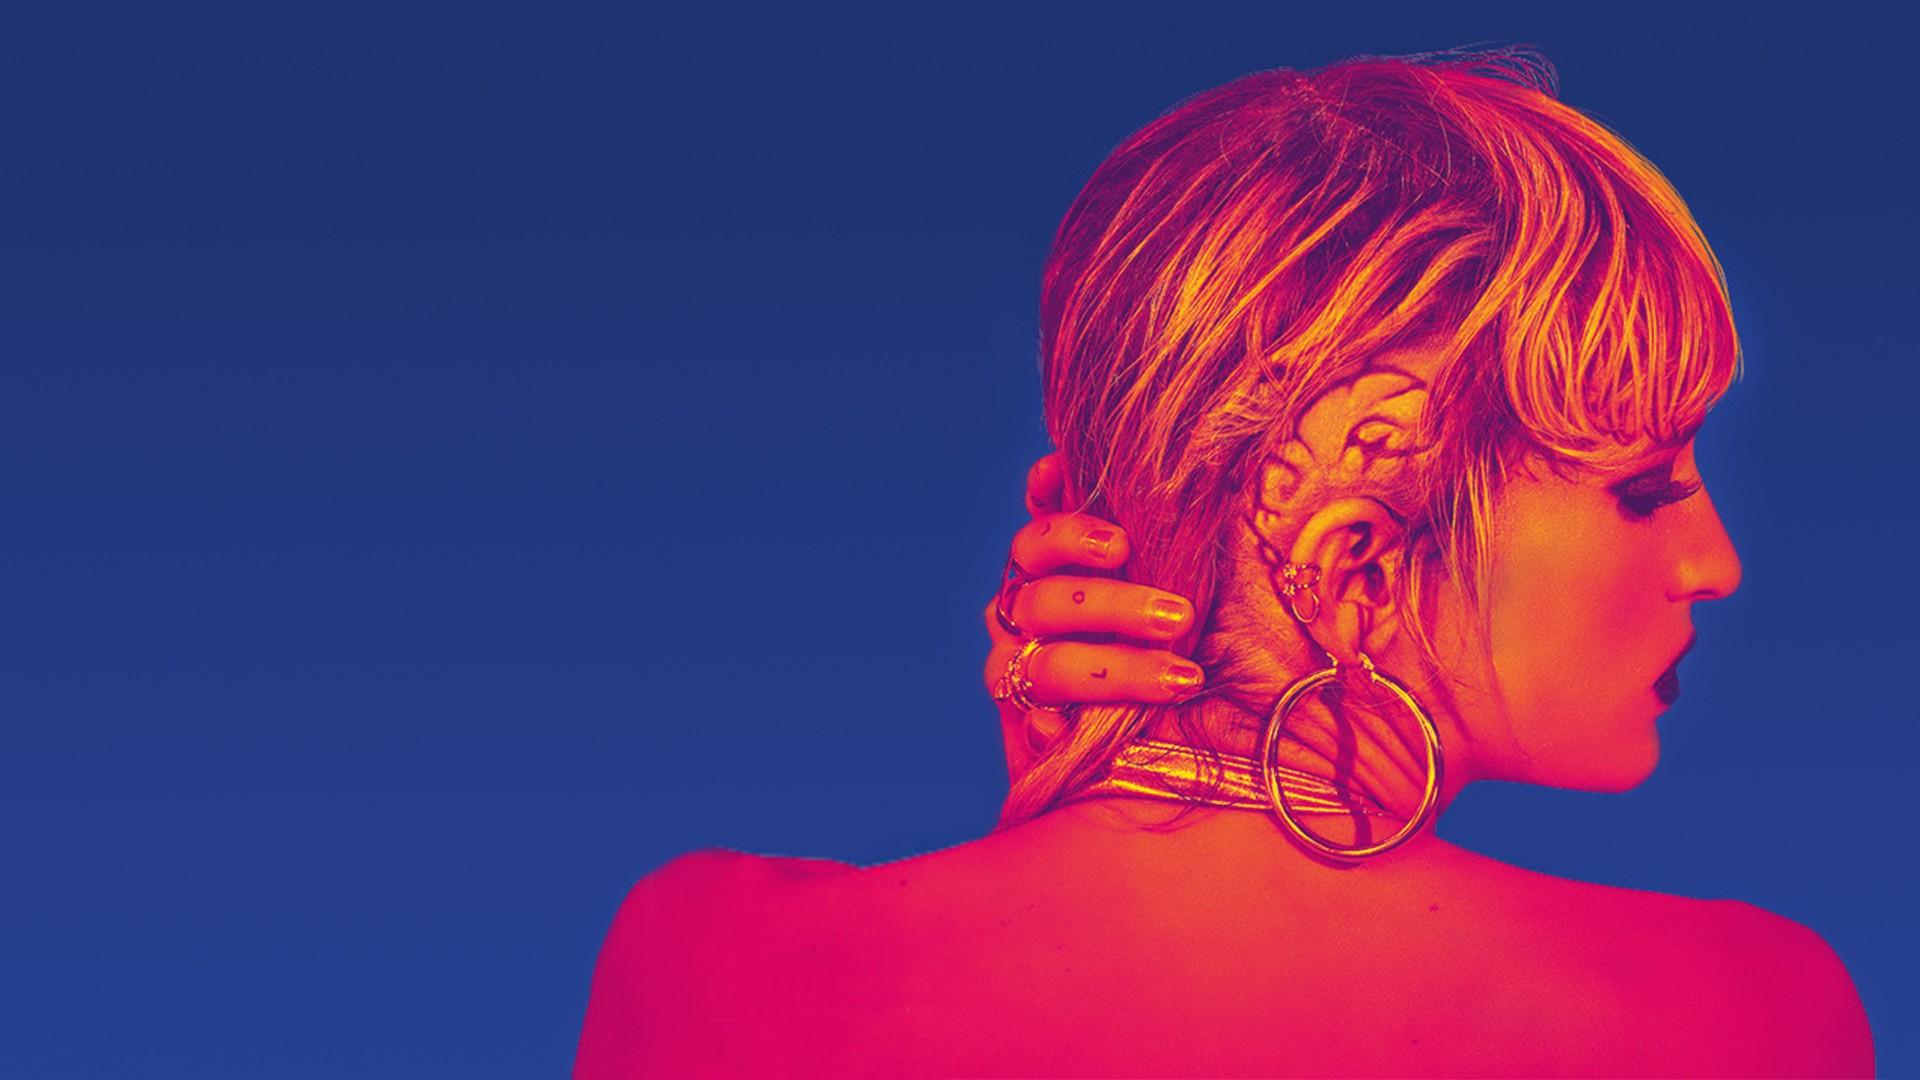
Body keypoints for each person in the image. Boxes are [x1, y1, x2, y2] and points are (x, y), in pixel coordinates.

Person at [575, 47, 1874, 1077]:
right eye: (1645, 489)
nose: (1715, 564)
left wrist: (1055, 818)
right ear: (1354, 555)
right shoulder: (1742, 1014)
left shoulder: (710, 958)